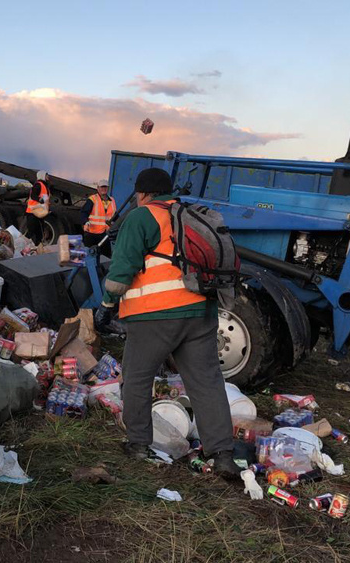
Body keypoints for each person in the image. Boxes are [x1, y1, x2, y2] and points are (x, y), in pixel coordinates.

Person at [95, 167, 242, 480]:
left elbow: (121, 272)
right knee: (206, 382)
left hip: (156, 316)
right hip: (201, 312)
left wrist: (107, 307)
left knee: (136, 377)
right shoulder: (187, 215)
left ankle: (137, 444)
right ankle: (222, 454)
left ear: (143, 193)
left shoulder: (141, 216)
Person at [81, 179, 116, 256]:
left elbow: (115, 215)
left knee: (106, 256)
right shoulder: (93, 199)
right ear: (98, 188)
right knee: (89, 256)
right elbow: (84, 212)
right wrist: (86, 222)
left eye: (105, 187)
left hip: (104, 234)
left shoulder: (112, 200)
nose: (104, 189)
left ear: (108, 188)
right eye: (102, 187)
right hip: (91, 234)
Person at [25, 171, 51, 244]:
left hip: (39, 212)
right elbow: (33, 196)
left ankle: (37, 248)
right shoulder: (38, 185)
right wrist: (40, 199)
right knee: (32, 231)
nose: (48, 176)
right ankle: (22, 246)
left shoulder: (44, 185)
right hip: (32, 212)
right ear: (42, 176)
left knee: (39, 232)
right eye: (47, 175)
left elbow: (45, 198)